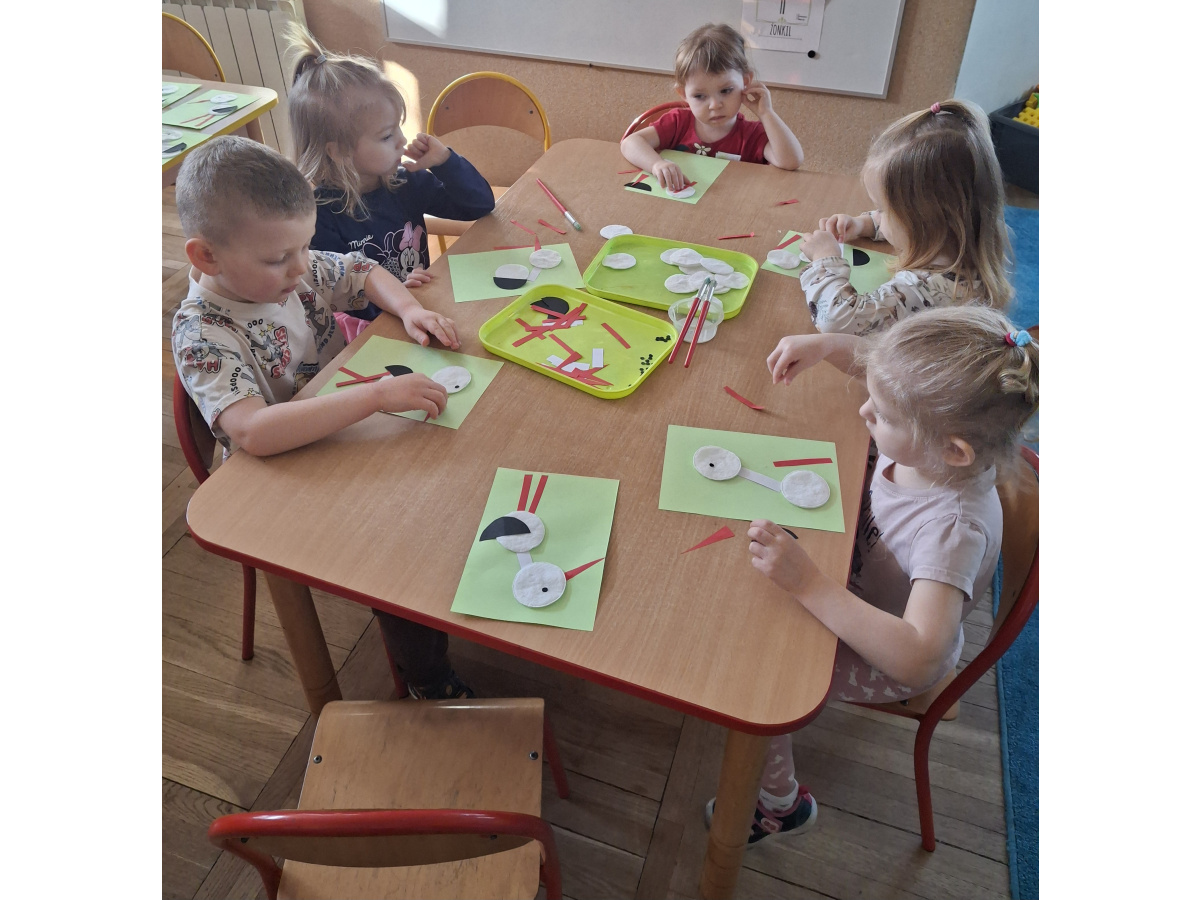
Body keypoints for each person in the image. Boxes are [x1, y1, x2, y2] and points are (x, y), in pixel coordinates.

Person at [710, 306, 1038, 845]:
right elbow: (877, 367)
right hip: (855, 582)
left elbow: (918, 656)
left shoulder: (952, 528)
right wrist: (825, 346)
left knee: (760, 683)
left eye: (881, 415)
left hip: (886, 652)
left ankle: (781, 804)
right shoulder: (934, 448)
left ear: (954, 451)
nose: (864, 409)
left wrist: (809, 584)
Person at [171, 135, 474, 700]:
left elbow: (361, 270)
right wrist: (375, 398)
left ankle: (455, 593)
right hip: (280, 477)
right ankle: (429, 683)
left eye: (305, 247)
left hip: (341, 425)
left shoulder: (291, 266)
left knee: (446, 473)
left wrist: (408, 308)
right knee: (395, 554)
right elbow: (253, 431)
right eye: (278, 259)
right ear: (206, 257)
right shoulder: (201, 332)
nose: (300, 268)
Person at [286, 25, 496, 322]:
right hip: (374, 330)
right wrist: (398, 299)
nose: (402, 140)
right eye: (386, 135)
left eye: (398, 126)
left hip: (420, 311)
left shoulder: (404, 182)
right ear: (339, 150)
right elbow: (338, 302)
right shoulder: (319, 217)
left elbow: (479, 205)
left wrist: (445, 161)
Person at [798, 99, 1012, 336]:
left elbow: (837, 321)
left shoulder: (926, 290)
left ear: (924, 222)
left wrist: (824, 259)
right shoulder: (971, 235)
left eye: (882, 209)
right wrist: (863, 225)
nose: (877, 215)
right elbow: (906, 225)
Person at [619, 22, 804, 191]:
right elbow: (630, 143)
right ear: (683, 94)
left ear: (745, 82)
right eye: (700, 96)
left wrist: (766, 113)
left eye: (726, 91)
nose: (715, 105)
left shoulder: (752, 135)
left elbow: (791, 161)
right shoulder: (678, 122)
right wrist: (656, 164)